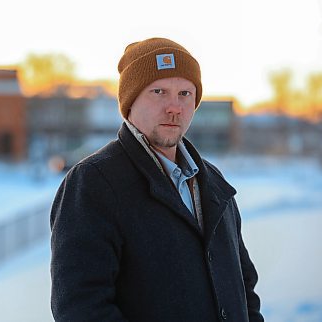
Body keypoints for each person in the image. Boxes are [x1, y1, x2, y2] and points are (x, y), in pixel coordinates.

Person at [50, 37, 264, 322]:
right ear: (130, 102)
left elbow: (244, 288)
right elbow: (81, 308)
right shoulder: (94, 182)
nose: (174, 107)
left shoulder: (212, 182)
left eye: (185, 94)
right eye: (159, 91)